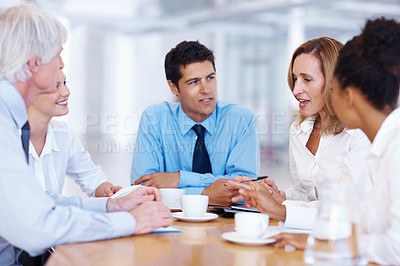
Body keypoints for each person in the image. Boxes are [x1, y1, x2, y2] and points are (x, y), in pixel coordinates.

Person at [0, 4, 171, 265]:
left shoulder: (13, 120)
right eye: (56, 54)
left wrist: (112, 206)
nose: (62, 63)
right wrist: (128, 222)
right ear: (34, 63)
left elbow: (43, 201)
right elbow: (35, 227)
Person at [228, 37, 370, 229]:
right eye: (295, 79)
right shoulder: (298, 130)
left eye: (307, 79)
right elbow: (307, 193)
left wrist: (281, 209)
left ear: (334, 81)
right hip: (305, 234)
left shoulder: (360, 134)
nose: (295, 90)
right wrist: (281, 196)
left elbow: (348, 211)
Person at [131, 40, 259, 205]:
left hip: (226, 225)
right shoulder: (155, 118)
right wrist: (208, 194)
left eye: (210, 78)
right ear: (174, 88)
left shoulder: (241, 119)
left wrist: (179, 179)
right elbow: (142, 189)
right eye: (194, 82)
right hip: (168, 222)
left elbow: (244, 187)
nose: (206, 90)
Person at [28, 70, 122, 198]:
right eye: (56, 86)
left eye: (65, 83)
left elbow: (94, 181)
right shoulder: (8, 138)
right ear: (28, 93)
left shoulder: (63, 134)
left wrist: (109, 191)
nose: (67, 91)